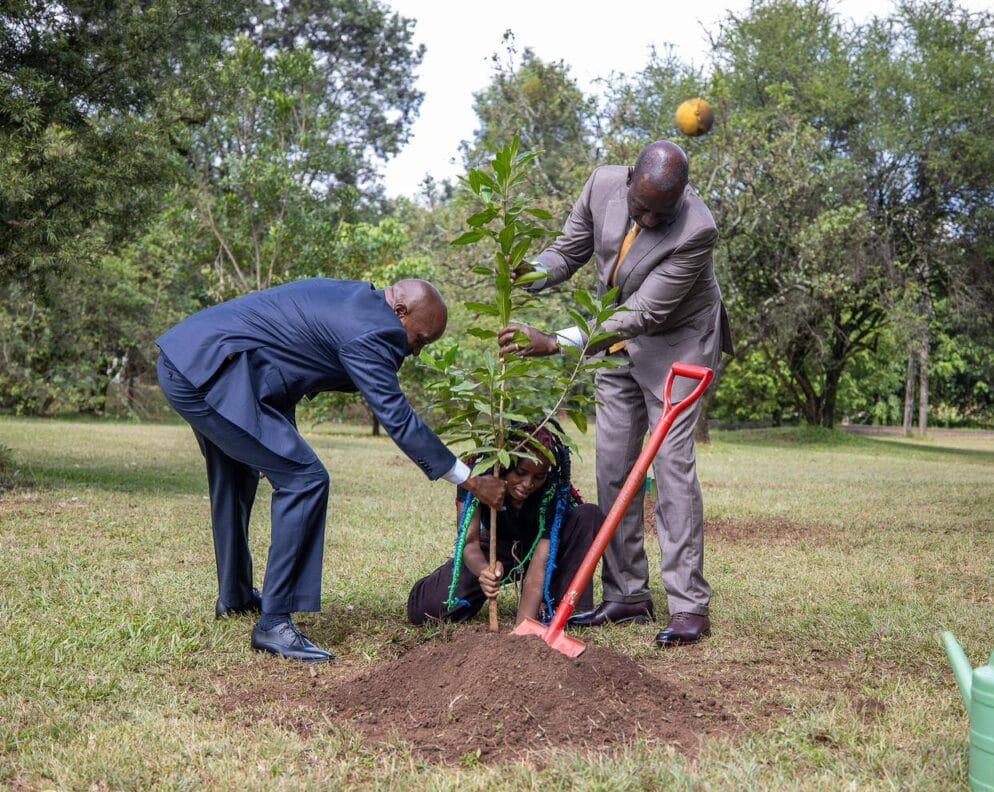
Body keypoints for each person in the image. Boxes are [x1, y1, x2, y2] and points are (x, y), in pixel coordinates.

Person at [156, 278, 506, 663]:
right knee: (305, 480)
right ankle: (274, 624)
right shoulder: (377, 329)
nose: (416, 351)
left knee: (236, 478)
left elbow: (287, 353)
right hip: (214, 374)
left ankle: (236, 597)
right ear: (401, 312)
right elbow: (397, 417)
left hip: (194, 360)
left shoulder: (357, 300)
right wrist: (468, 478)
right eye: (420, 340)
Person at [497, 141, 732, 647]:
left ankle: (689, 605)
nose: (647, 219)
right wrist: (530, 272)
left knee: (671, 469)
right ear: (628, 179)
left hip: (678, 345)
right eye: (640, 206)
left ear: (681, 198)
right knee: (612, 468)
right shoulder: (602, 184)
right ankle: (627, 594)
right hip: (614, 344)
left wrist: (557, 342)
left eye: (659, 213)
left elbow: (644, 314)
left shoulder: (697, 229)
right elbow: (568, 250)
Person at [407, 425, 603, 627]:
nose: (528, 484)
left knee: (588, 514)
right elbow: (469, 542)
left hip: (548, 552)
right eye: (520, 472)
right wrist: (484, 570)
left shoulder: (552, 491)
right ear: (504, 463)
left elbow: (538, 568)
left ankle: (559, 606)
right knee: (426, 611)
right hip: (498, 546)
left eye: (538, 477)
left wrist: (521, 632)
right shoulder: (477, 478)